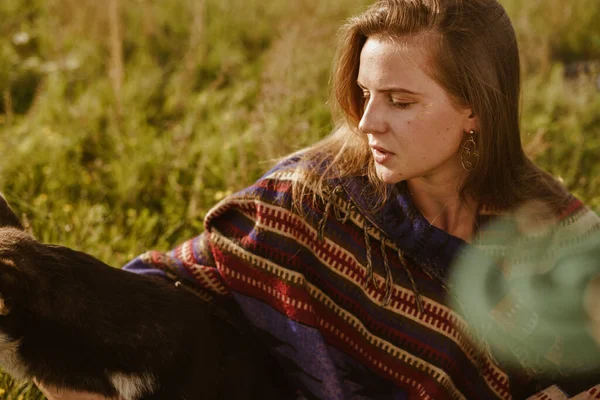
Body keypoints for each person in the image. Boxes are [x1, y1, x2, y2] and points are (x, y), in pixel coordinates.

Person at [36, 0, 600, 399]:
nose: (369, 121)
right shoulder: (308, 202)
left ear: (475, 108)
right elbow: (149, 295)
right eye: (364, 93)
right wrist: (41, 305)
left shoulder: (553, 229)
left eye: (401, 101)